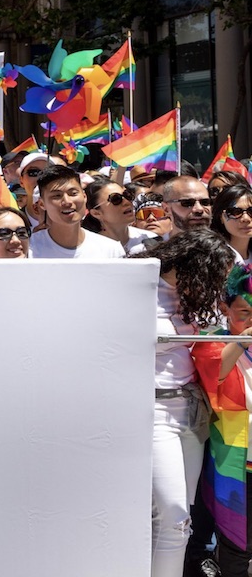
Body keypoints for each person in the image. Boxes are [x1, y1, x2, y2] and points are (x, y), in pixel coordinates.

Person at [140, 232, 236, 577]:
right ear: (196, 267)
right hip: (153, 412)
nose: (216, 285)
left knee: (180, 521)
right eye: (214, 276)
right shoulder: (138, 288)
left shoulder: (193, 299)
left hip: (192, 413)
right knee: (172, 513)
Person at [191, 261, 252, 577]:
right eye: (244, 314)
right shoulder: (211, 341)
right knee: (237, 543)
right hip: (236, 462)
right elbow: (213, 377)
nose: (251, 321)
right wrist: (243, 339)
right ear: (224, 308)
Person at [28, 165, 125, 259]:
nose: (67, 202)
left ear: (84, 196)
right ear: (42, 204)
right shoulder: (29, 249)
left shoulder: (111, 251)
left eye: (73, 193)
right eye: (57, 196)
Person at [84, 180, 157, 253]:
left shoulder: (151, 239)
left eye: (127, 195)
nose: (126, 202)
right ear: (96, 213)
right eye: (116, 199)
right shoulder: (89, 250)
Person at [213, 183, 252, 267]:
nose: (246, 218)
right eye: (235, 212)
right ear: (221, 217)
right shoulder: (213, 259)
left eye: (251, 211)